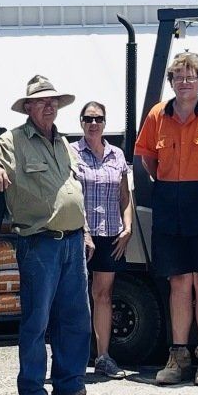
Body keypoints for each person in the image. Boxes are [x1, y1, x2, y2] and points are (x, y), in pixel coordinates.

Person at [0, 75, 105, 395]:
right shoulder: (13, 141)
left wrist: (86, 232)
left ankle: (70, 386)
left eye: (54, 101)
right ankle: (32, 392)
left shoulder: (63, 144)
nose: (50, 105)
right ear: (28, 107)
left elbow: (71, 192)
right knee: (37, 322)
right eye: (42, 101)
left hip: (73, 243)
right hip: (39, 244)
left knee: (76, 318)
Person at [134, 51, 198, 387]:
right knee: (178, 282)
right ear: (171, 82)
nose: (184, 83)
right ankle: (178, 356)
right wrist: (169, 186)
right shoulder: (156, 115)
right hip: (169, 203)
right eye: (178, 77)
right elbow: (148, 159)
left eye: (190, 77)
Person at [72, 100, 134, 379]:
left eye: (98, 119)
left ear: (105, 123)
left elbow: (124, 195)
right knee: (73, 297)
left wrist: (128, 227)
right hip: (79, 232)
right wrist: (84, 232)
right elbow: (70, 196)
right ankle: (72, 357)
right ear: (81, 122)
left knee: (104, 295)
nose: (93, 124)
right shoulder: (71, 153)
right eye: (88, 119)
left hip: (110, 233)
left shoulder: (117, 155)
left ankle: (103, 356)